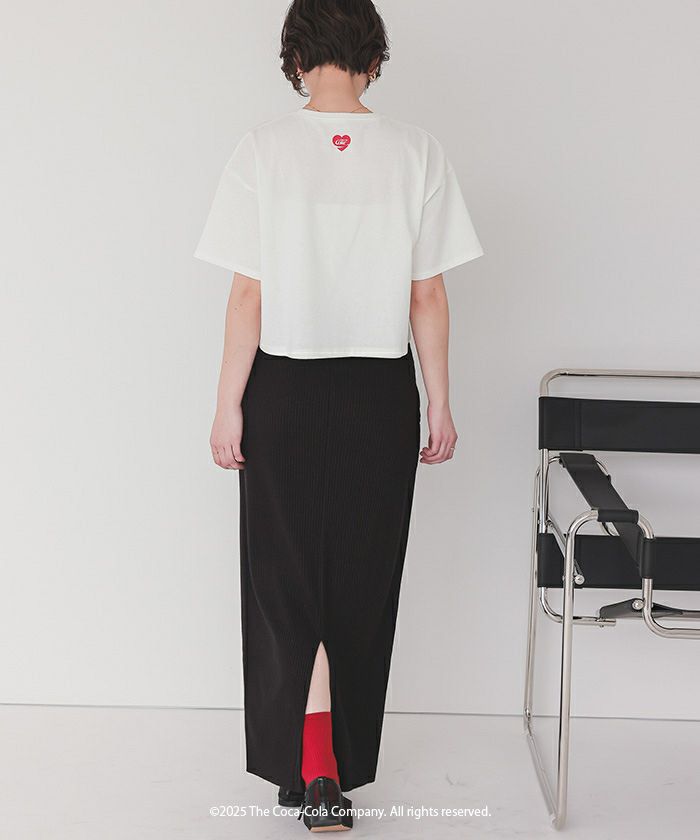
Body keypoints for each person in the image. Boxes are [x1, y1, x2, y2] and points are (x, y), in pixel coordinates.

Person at [193, 0, 484, 831]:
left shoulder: (262, 149)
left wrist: (227, 404)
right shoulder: (416, 152)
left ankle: (311, 766)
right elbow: (428, 295)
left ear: (295, 58)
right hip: (379, 395)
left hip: (282, 391)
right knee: (359, 583)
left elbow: (246, 294)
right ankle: (329, 769)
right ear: (373, 58)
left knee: (286, 586)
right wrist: (439, 400)